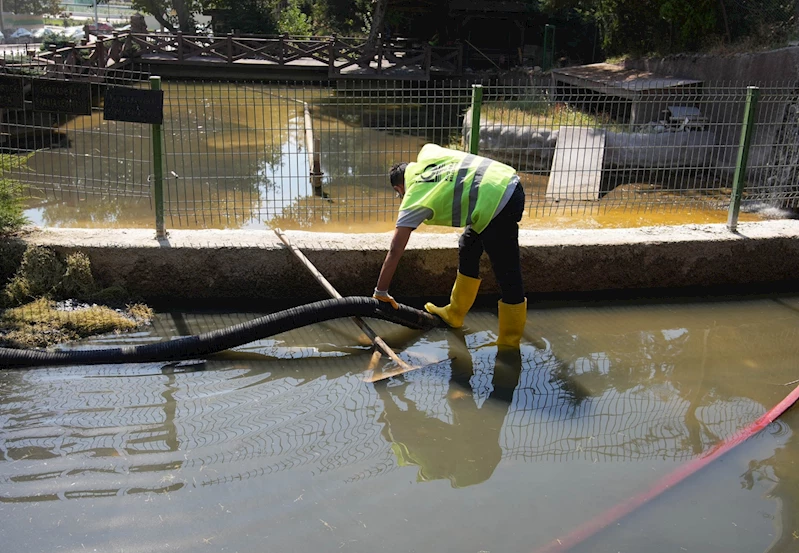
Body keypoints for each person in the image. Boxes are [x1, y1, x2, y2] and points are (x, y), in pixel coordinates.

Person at [372, 143, 527, 348]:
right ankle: (454, 313)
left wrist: (380, 292)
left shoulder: (414, 197)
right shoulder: (428, 153)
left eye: (399, 194)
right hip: (505, 181)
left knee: (507, 274)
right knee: (468, 244)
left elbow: (395, 249)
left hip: (499, 202)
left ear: (398, 188)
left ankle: (510, 344)